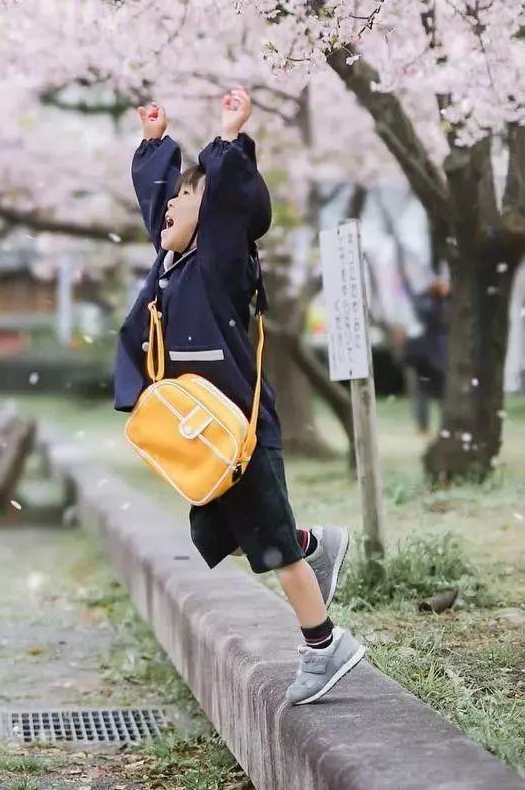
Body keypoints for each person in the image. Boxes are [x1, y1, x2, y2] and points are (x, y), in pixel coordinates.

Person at [113, 88, 365, 705]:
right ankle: (314, 543)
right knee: (233, 527)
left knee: (267, 539)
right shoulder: (170, 264)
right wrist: (154, 147)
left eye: (185, 196)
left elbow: (223, 206)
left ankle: (325, 644)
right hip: (204, 428)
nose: (168, 205)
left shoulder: (218, 264)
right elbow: (162, 208)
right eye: (168, 197)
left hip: (237, 426)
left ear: (215, 217)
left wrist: (226, 139)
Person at [404, 278, 449, 435]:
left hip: (431, 358)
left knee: (431, 395)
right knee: (429, 395)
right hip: (431, 358)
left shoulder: (426, 305)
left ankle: (431, 426)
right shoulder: (441, 306)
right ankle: (427, 426)